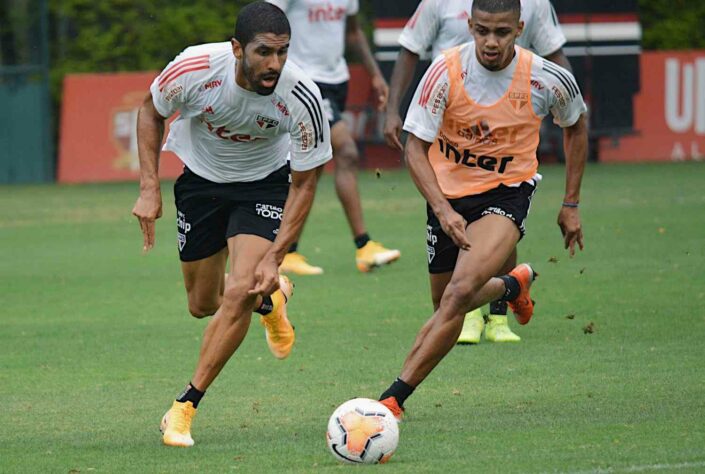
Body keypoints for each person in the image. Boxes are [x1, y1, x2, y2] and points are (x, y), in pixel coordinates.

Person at [131, 2, 332, 447]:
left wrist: (277, 254)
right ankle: (271, 301)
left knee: (240, 287)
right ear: (237, 47)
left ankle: (184, 408)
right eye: (263, 52)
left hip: (263, 187)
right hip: (200, 183)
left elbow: (305, 183)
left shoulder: (301, 96)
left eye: (282, 52)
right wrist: (149, 187)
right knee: (203, 304)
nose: (274, 64)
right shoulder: (197, 68)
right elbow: (150, 111)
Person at [377, 0, 587, 420]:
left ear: (520, 29)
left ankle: (392, 398)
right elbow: (415, 149)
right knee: (447, 303)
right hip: (448, 197)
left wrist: (570, 203)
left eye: (503, 32)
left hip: (506, 194)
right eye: (484, 31)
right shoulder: (444, 71)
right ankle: (512, 286)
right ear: (470, 25)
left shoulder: (546, 79)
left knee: (457, 296)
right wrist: (442, 208)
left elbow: (577, 126)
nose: (492, 42)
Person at [266, 0, 401, 275]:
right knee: (347, 151)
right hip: (305, 81)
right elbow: (265, 22)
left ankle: (287, 251)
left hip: (337, 81)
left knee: (311, 168)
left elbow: (353, 32)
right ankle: (364, 245)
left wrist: (375, 75)